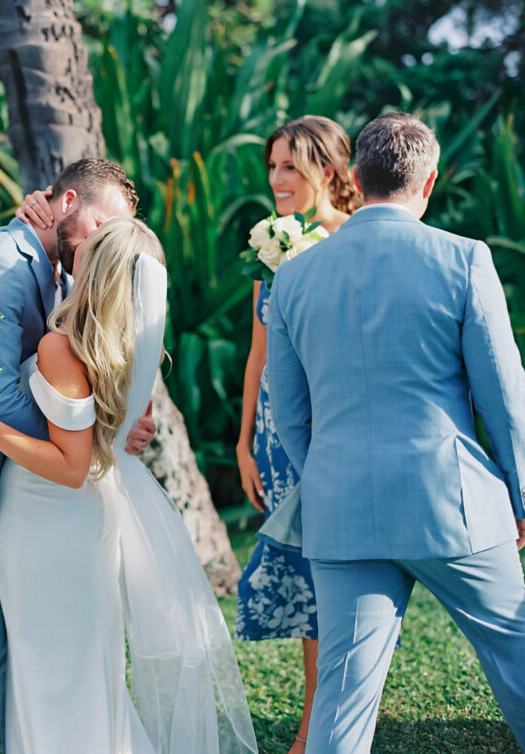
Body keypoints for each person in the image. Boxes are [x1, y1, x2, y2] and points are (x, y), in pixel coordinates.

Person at [266, 111, 525, 753]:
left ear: (354, 175)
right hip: (453, 506)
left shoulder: (294, 276)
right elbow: (507, 398)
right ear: (430, 181)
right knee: (520, 662)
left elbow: (289, 412)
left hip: (342, 509)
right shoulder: (465, 259)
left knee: (341, 704)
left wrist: (328, 475)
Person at [0, 217, 257, 753]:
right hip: (84, 521)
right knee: (82, 666)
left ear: (98, 268)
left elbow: (71, 466)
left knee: (51, 668)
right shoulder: (128, 348)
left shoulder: (61, 349)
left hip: (48, 519)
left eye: (86, 248)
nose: (73, 247)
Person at [0, 158, 156, 753]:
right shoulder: (2, 262)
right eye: (103, 223)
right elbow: (0, 395)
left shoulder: (55, 262)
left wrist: (106, 418)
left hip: (36, 490)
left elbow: (82, 358)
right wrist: (93, 431)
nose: (105, 241)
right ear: (67, 202)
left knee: (26, 646)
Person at [233, 115, 358, 754]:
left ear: (328, 172)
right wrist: (245, 437)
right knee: (309, 584)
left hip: (332, 432)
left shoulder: (352, 244)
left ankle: (326, 724)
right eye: (273, 167)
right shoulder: (273, 245)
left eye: (290, 167)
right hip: (277, 439)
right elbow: (258, 350)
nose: (278, 180)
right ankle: (318, 723)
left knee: (335, 577)